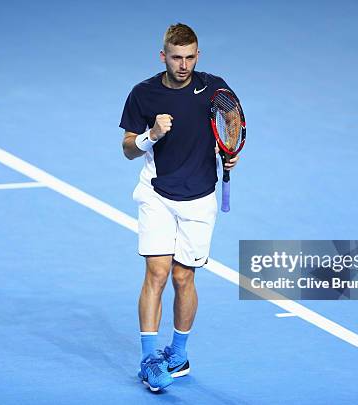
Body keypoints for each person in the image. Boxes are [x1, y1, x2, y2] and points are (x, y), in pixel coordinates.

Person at [120, 23, 240, 392]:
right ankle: (149, 359)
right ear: (164, 57)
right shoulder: (144, 94)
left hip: (200, 199)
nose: (183, 65)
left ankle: (179, 354)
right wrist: (150, 135)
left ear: (198, 56)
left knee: (183, 277)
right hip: (156, 194)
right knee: (156, 274)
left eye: (190, 57)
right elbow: (127, 148)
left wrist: (230, 153)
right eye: (176, 57)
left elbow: (232, 124)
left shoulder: (215, 89)